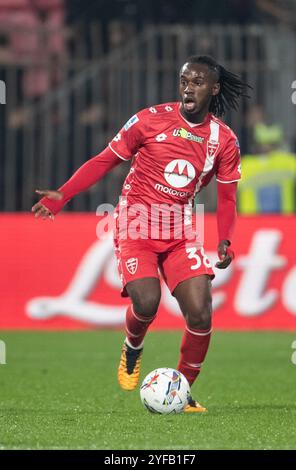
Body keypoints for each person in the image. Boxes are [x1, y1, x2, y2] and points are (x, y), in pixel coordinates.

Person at [32, 55, 250, 412]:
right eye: (184, 80)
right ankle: (133, 346)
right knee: (146, 302)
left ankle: (182, 391)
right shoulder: (149, 120)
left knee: (201, 312)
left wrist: (225, 239)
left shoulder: (223, 140)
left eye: (197, 82)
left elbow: (227, 197)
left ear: (214, 88)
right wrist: (63, 195)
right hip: (136, 223)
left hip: (180, 230)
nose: (188, 87)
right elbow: (105, 159)